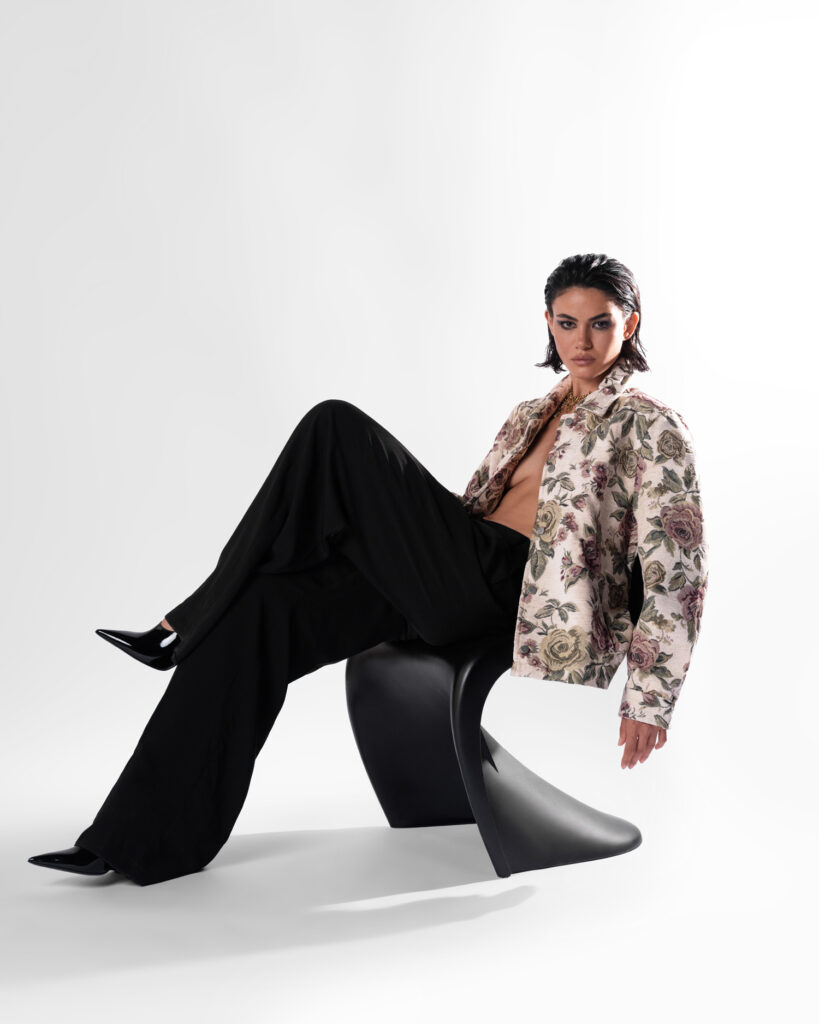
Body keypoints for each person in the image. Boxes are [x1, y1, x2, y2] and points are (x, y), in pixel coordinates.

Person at [28, 252, 709, 885]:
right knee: (259, 612)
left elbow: (676, 569)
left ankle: (184, 616)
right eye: (566, 323)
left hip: (517, 590)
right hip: (460, 566)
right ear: (548, 323)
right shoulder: (531, 412)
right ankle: (137, 842)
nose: (580, 340)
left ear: (629, 325)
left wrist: (649, 698)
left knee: (335, 427)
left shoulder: (650, 425)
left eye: (599, 324)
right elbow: (476, 507)